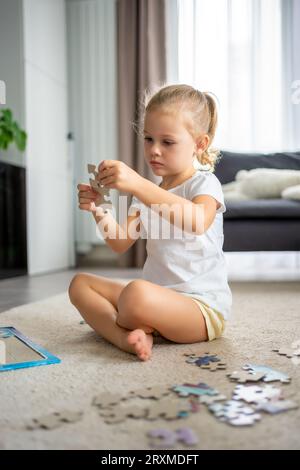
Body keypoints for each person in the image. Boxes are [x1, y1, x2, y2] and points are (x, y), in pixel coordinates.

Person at [69, 83, 232, 361]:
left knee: (135, 295)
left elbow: (197, 221)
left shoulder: (204, 183)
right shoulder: (144, 194)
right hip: (155, 296)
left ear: (199, 144)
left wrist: (138, 185)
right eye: (148, 139)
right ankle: (125, 337)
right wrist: (99, 207)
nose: (154, 150)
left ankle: (131, 324)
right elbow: (120, 242)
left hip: (200, 309)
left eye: (167, 142)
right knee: (80, 284)